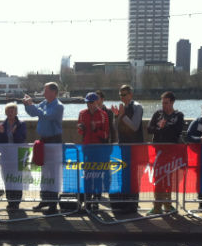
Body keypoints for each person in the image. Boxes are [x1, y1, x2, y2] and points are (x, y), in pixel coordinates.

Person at [23, 82, 64, 214]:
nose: (44, 93)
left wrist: (32, 105)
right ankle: (45, 200)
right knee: (44, 172)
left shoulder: (58, 106)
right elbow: (33, 113)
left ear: (54, 92)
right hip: (44, 141)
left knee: (53, 173)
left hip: (54, 141)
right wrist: (27, 105)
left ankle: (53, 204)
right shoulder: (45, 103)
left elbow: (46, 115)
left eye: (46, 91)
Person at [146, 91, 185, 215]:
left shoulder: (178, 115)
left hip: (171, 152)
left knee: (168, 178)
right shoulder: (158, 114)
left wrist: (164, 128)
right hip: (158, 152)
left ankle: (168, 205)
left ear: (172, 102)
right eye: (162, 103)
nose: (164, 105)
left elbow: (177, 131)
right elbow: (149, 129)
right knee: (157, 179)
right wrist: (159, 129)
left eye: (166, 103)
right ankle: (157, 206)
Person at [110, 85, 143, 213]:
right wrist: (116, 116)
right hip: (123, 146)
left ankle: (133, 204)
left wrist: (122, 115)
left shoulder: (137, 107)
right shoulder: (123, 107)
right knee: (124, 174)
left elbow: (135, 126)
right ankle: (125, 202)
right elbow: (116, 128)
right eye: (120, 95)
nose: (122, 97)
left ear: (131, 94)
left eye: (124, 94)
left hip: (135, 146)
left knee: (134, 175)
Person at [77, 92, 109, 211]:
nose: (89, 105)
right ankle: (87, 200)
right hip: (86, 148)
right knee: (87, 175)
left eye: (91, 102)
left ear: (97, 102)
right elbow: (79, 132)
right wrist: (81, 129)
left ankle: (96, 200)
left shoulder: (103, 114)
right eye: (87, 103)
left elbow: (106, 135)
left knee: (98, 175)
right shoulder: (82, 114)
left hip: (98, 149)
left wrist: (96, 130)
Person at [0, 102, 27, 211]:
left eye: (12, 111)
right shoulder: (1, 125)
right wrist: (2, 133)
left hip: (18, 155)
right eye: (8, 111)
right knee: (7, 178)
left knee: (17, 179)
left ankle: (16, 202)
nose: (10, 113)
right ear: (5, 112)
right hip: (6, 156)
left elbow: (21, 138)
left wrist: (13, 133)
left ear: (16, 112)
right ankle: (10, 201)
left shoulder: (21, 124)